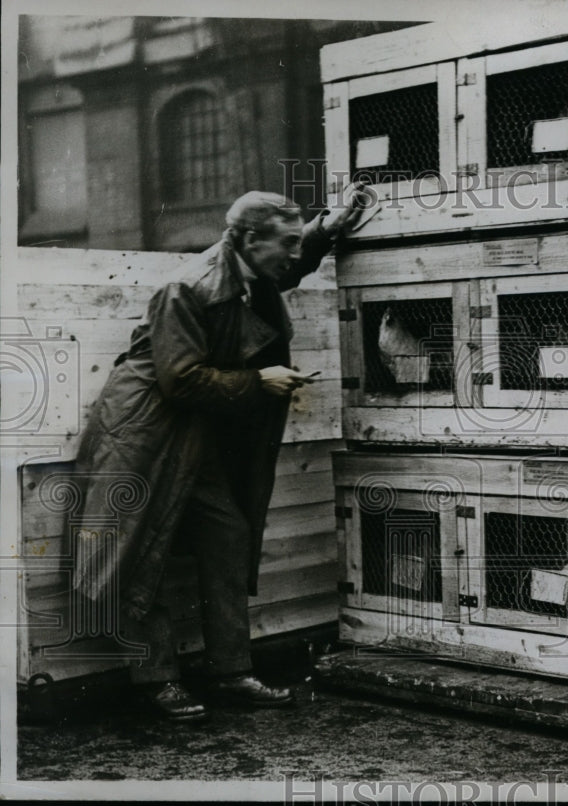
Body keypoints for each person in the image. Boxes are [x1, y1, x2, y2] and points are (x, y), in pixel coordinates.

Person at [72, 185, 366, 722]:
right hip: (146, 430)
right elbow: (179, 379)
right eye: (287, 241)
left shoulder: (249, 269)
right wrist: (259, 381)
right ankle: (156, 680)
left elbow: (288, 270)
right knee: (144, 553)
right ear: (251, 240)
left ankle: (232, 672)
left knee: (227, 535)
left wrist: (330, 227)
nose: (292, 252)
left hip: (191, 431)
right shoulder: (187, 287)